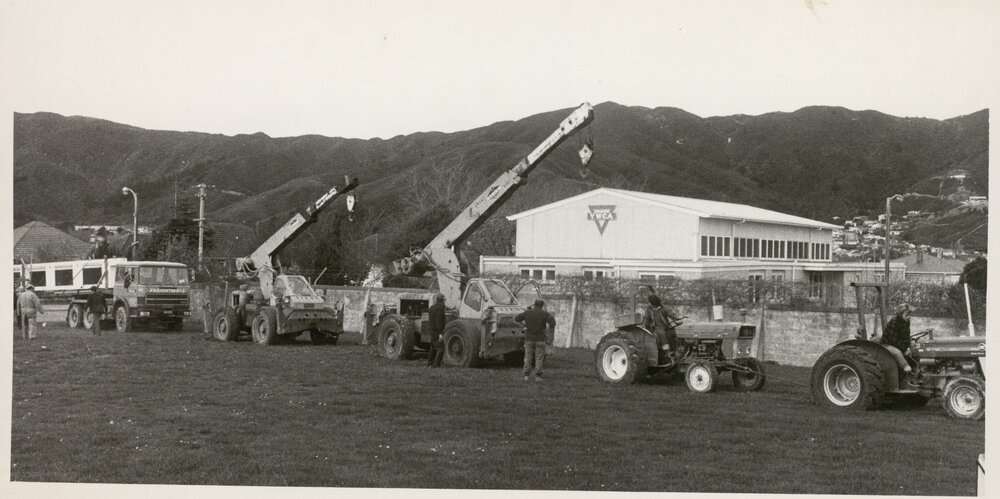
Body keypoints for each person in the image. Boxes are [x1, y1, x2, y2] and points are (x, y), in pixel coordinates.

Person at [515, 299, 556, 382]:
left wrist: (523, 325)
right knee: (539, 358)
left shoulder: (527, 312)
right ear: (542, 305)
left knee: (527, 357)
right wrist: (547, 330)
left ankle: (526, 376)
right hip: (540, 339)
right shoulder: (545, 314)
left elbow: (516, 319)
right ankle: (538, 376)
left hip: (529, 338)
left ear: (534, 305)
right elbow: (553, 323)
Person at [876, 304, 917, 376]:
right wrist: (904, 350)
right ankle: (907, 370)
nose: (908, 317)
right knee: (897, 353)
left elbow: (907, 337)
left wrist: (908, 348)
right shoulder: (894, 322)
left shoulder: (906, 321)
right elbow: (893, 341)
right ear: (900, 314)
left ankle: (916, 366)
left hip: (899, 343)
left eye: (909, 315)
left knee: (914, 345)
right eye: (906, 315)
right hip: (888, 344)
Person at [642, 295, 682, 365]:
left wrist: (677, 318)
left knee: (673, 332)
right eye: (650, 303)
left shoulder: (663, 308)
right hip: (655, 328)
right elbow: (646, 319)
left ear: (655, 303)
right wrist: (646, 326)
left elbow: (671, 314)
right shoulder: (649, 309)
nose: (650, 304)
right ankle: (668, 353)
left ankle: (677, 350)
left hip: (665, 327)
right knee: (662, 333)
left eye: (651, 303)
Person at [426, 293, 447, 368]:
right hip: (437, 332)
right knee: (441, 349)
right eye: (444, 300)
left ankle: (429, 363)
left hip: (431, 330)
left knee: (433, 348)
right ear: (442, 300)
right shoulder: (440, 308)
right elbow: (438, 322)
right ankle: (436, 365)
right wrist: (440, 333)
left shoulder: (431, 307)